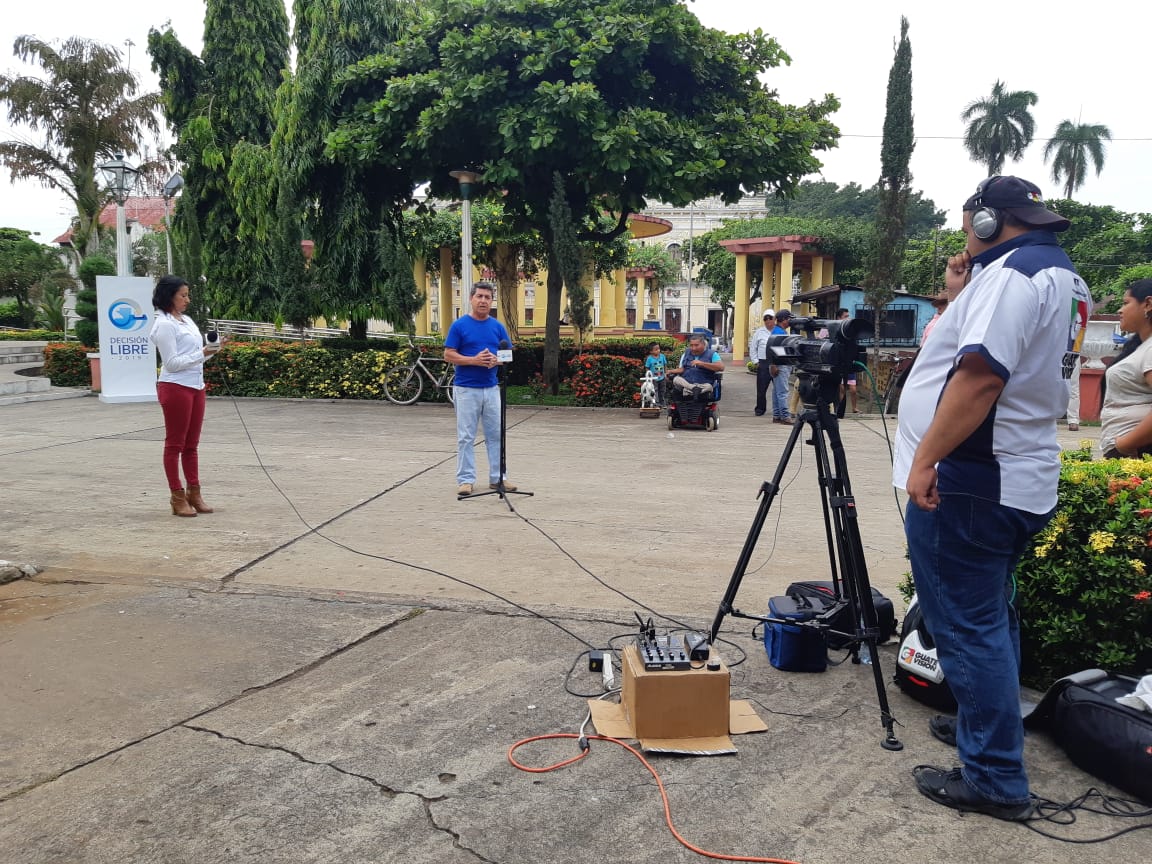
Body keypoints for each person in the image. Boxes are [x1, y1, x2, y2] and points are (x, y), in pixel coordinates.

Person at [893, 176, 1091, 821]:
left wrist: (927, 460)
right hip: (1018, 476)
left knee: (966, 628)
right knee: (990, 619)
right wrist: (961, 291)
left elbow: (979, 377)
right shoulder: (1057, 274)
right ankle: (988, 732)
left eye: (967, 224)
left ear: (985, 222)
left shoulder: (1013, 276)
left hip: (976, 481)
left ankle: (996, 779)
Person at [148, 275, 226, 517]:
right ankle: (177, 496)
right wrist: (201, 353)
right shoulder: (163, 325)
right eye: (183, 295)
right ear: (168, 296)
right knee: (175, 444)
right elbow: (171, 363)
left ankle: (195, 493)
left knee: (191, 446)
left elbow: (197, 355)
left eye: (187, 295)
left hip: (195, 385)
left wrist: (213, 349)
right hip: (175, 387)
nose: (187, 299)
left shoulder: (187, 321)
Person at [444, 282, 515, 497]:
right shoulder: (459, 326)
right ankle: (466, 480)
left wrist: (496, 360)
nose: (483, 301)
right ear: (471, 299)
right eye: (480, 296)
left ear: (491, 301)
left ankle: (498, 477)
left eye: (487, 297)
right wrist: (473, 360)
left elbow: (508, 354)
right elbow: (448, 354)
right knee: (466, 436)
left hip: (491, 388)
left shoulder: (498, 327)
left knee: (496, 434)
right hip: (466, 389)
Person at [1100, 279, 1152, 458]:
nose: (1120, 310)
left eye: (1126, 303)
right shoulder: (1141, 347)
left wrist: (1125, 444)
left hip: (1138, 453)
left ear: (1148, 304)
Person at [668, 333, 724, 399]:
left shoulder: (712, 354)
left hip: (703, 384)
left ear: (703, 344)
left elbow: (721, 367)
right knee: (676, 379)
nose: (693, 348)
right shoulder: (686, 353)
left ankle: (689, 391)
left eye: (696, 345)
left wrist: (702, 364)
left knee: (709, 387)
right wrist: (670, 371)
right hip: (687, 383)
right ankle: (693, 389)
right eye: (691, 345)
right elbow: (682, 369)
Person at [750, 311, 776, 416]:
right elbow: (753, 348)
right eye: (765, 318)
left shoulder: (779, 331)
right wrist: (756, 362)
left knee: (779, 389)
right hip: (763, 362)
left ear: (774, 319)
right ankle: (760, 409)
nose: (768, 321)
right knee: (761, 389)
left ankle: (777, 410)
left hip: (776, 362)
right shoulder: (759, 332)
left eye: (770, 318)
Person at [770, 310, 794, 424]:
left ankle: (777, 415)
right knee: (783, 392)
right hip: (781, 365)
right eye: (789, 319)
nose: (790, 321)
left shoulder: (778, 331)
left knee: (777, 392)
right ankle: (785, 416)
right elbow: (772, 349)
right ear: (784, 319)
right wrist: (773, 364)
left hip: (780, 364)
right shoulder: (779, 332)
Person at [838, 308, 860, 413]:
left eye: (848, 316)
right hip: (839, 365)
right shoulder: (834, 328)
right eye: (845, 316)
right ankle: (840, 408)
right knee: (841, 389)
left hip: (850, 365)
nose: (848, 318)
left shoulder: (851, 331)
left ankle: (854, 408)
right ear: (839, 318)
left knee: (853, 389)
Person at [644, 342, 667, 407]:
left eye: (659, 349)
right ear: (651, 351)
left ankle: (662, 403)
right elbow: (647, 368)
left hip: (662, 377)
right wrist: (648, 377)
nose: (658, 350)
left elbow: (665, 365)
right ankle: (656, 403)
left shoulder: (662, 356)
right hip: (654, 379)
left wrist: (666, 373)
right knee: (655, 390)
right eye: (656, 349)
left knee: (662, 390)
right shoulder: (649, 358)